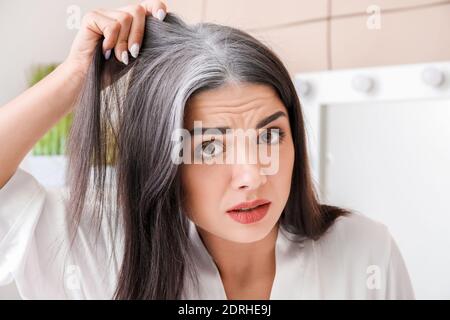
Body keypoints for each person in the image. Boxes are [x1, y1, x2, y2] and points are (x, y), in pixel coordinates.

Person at [0, 0, 415, 300]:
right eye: (211, 146)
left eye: (270, 136)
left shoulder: (365, 251)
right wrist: (72, 79)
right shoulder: (101, 250)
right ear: (161, 160)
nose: (253, 174)